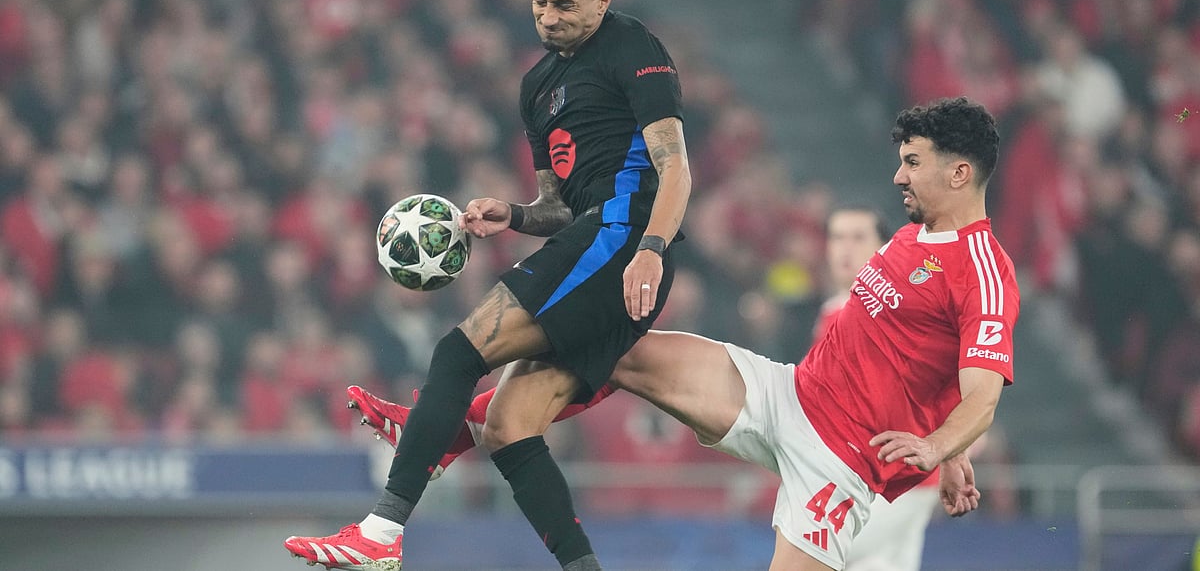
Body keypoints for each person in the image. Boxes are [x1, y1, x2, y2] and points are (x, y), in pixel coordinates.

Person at [348, 97, 1020, 569]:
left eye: (912, 162)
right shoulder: (911, 237)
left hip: (840, 461)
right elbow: (914, 361)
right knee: (617, 349)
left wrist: (940, 450)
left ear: (959, 173)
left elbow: (981, 395)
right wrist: (950, 452)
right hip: (788, 394)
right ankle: (438, 438)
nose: (899, 174)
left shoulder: (985, 273)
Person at [284, 0, 692, 571]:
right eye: (538, 3)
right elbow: (557, 203)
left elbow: (676, 170)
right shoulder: (537, 86)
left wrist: (652, 249)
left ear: (602, 0)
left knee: (456, 352)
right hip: (593, 239)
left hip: (621, 240)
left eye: (564, 5)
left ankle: (382, 532)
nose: (548, 17)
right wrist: (516, 215)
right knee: (507, 427)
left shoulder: (634, 48)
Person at [818, 205, 941, 571]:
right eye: (837, 237)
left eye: (858, 238)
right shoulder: (833, 312)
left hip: (893, 479)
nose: (845, 249)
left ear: (882, 249)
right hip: (878, 479)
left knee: (816, 551)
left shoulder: (893, 311)